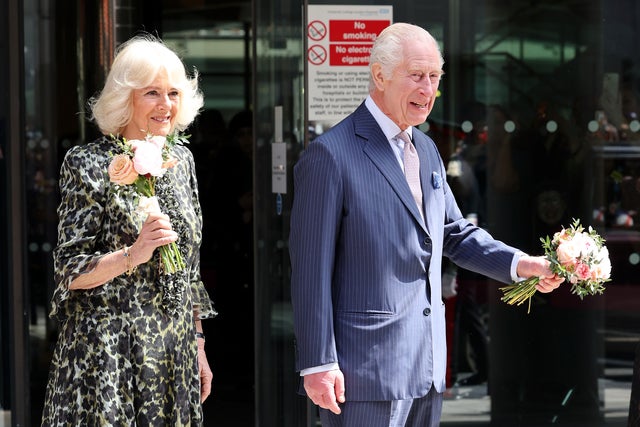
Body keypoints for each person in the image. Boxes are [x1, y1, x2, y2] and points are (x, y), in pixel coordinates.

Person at [289, 22, 564, 427]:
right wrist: (317, 361)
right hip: (363, 373)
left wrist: (522, 264)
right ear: (379, 75)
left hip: (427, 365)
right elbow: (310, 271)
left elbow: (452, 233)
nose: (428, 89)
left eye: (434, 77)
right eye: (416, 75)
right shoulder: (330, 156)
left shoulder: (427, 148)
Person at [41, 35, 216, 426]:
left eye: (173, 92)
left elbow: (189, 268)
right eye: (152, 92)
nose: (165, 105)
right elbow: (70, 270)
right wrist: (132, 255)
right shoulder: (87, 163)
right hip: (108, 354)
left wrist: (198, 342)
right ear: (126, 98)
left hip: (173, 349)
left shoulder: (180, 160)